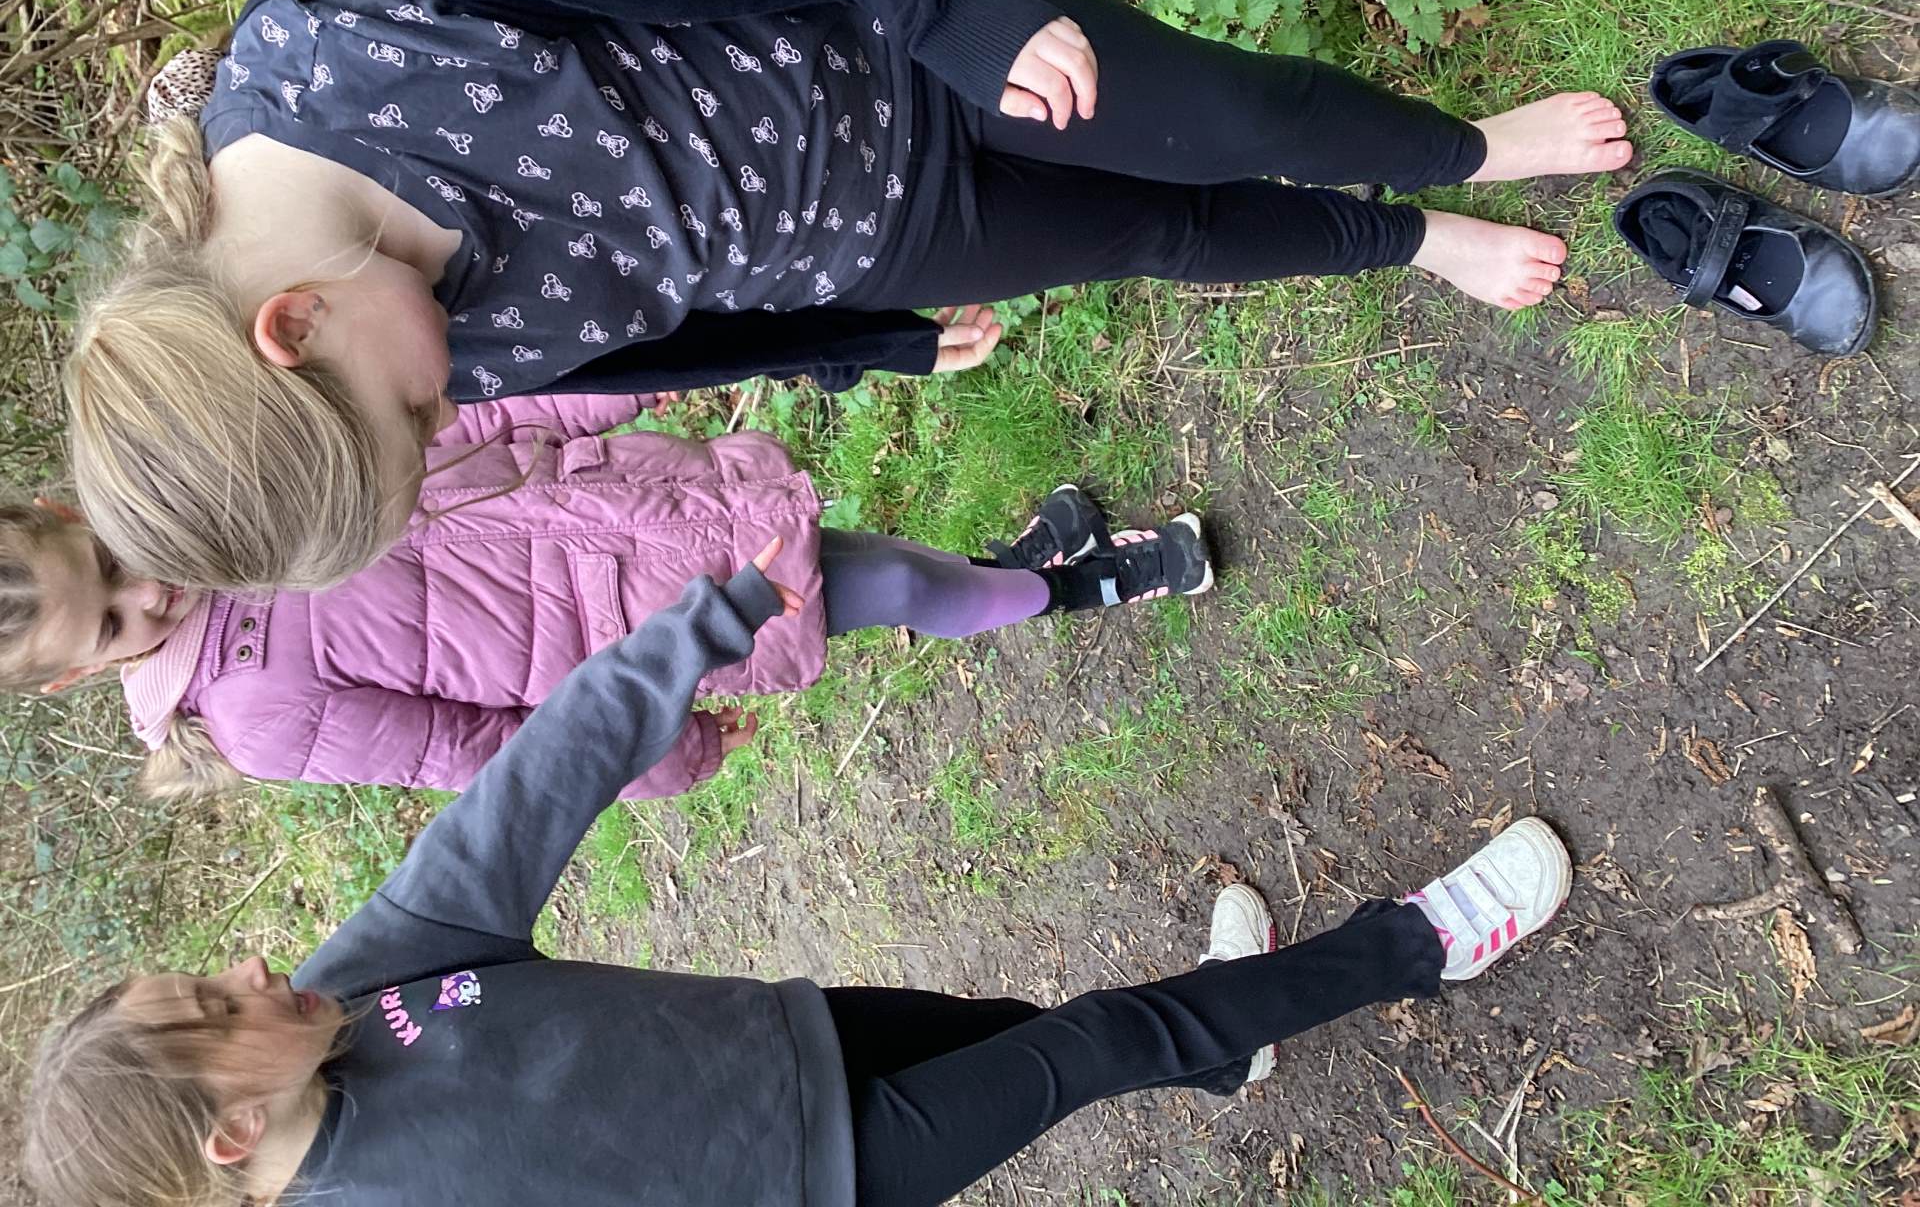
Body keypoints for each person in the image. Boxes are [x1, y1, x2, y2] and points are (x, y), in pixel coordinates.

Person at [67, 0, 1630, 592]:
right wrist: (851, 341)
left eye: (413, 418)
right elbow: (649, 341)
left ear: (291, 322)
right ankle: (1416, 237)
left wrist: (950, 10)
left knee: (1234, 116)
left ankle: (1469, 147)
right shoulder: (393, 335)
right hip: (889, 238)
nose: (451, 408)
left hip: (914, 54)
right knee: (1170, 230)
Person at [22, 545, 1574, 1207]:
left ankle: (1228, 1049)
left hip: (801, 1036)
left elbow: (528, 792)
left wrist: (696, 630)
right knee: (1102, 1037)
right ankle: (1420, 944)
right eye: (217, 1006)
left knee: (1028, 1032)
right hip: (830, 1178)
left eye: (204, 972)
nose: (247, 966)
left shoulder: (361, 991)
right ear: (231, 1135)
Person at [0, 400, 1202, 794]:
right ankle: (1086, 582)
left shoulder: (224, 486)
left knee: (860, 559)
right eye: (112, 621)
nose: (148, 589)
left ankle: (1023, 569)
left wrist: (607, 389)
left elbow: (440, 423)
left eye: (106, 559)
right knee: (875, 581)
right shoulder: (251, 713)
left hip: (620, 512)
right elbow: (482, 755)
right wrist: (663, 751)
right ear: (78, 675)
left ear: (67, 509)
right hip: (642, 628)